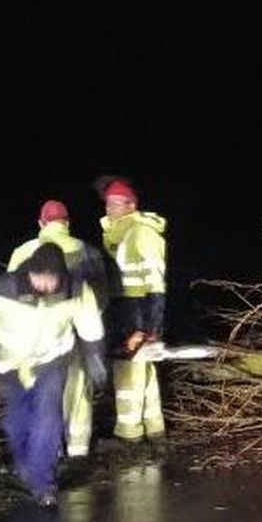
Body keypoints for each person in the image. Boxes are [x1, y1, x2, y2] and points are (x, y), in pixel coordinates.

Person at [0, 243, 107, 506]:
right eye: (39, 278)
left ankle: (43, 483)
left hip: (51, 358)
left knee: (49, 416)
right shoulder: (1, 287)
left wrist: (94, 357)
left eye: (51, 279)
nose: (45, 285)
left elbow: (90, 326)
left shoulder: (77, 291)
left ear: (61, 275)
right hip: (10, 362)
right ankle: (25, 467)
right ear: (30, 273)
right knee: (18, 421)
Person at [6, 199, 110, 458]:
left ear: (41, 223)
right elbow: (100, 297)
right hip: (76, 333)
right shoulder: (87, 251)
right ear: (67, 223)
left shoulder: (22, 252)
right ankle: (78, 450)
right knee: (77, 390)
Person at [97, 176, 168, 443]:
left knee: (128, 378)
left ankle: (128, 436)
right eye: (107, 204)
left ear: (131, 205)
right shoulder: (121, 235)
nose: (109, 209)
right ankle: (155, 431)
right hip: (126, 315)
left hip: (136, 318)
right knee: (144, 375)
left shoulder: (141, 233)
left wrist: (149, 329)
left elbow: (155, 282)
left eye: (116, 204)